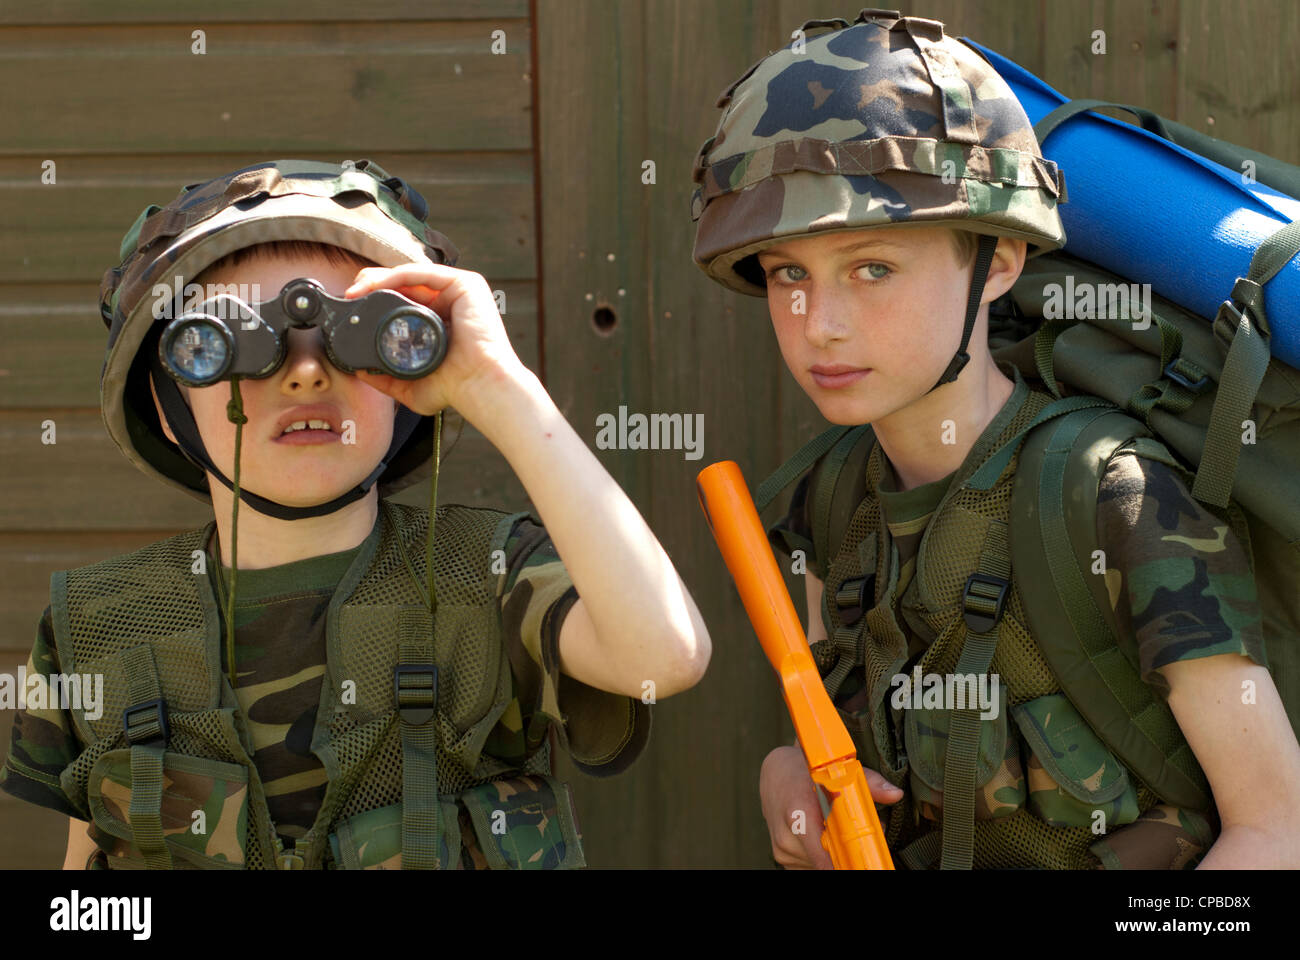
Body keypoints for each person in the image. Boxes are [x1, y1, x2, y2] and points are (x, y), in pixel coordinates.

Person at [689, 9, 1300, 868]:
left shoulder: (1113, 498)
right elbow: (836, 743)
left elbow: (1276, 832)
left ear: (1000, 262)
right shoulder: (827, 500)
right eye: (791, 273)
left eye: (873, 269)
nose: (819, 324)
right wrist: (788, 776)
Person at [1, 158, 710, 869]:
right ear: (166, 395)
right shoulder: (98, 627)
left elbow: (666, 655)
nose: (305, 371)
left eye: (364, 337)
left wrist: (500, 389)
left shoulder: (491, 577)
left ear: (413, 381)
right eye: (226, 341)